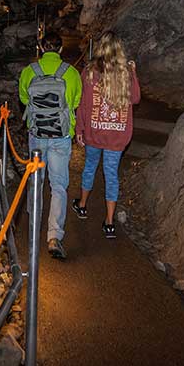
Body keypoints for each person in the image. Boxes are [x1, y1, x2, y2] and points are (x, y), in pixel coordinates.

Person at [18, 29, 82, 260]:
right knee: (58, 185)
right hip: (61, 136)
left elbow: (24, 99)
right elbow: (75, 102)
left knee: (36, 180)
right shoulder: (71, 73)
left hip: (37, 134)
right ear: (61, 49)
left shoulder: (29, 71)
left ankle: (33, 225)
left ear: (42, 48)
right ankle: (54, 235)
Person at [73, 32, 140, 239]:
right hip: (117, 135)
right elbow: (135, 98)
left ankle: (82, 205)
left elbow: (83, 105)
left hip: (95, 131)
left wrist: (79, 129)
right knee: (111, 175)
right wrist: (134, 72)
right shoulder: (126, 72)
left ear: (100, 48)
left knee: (90, 166)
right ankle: (109, 222)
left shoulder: (90, 72)